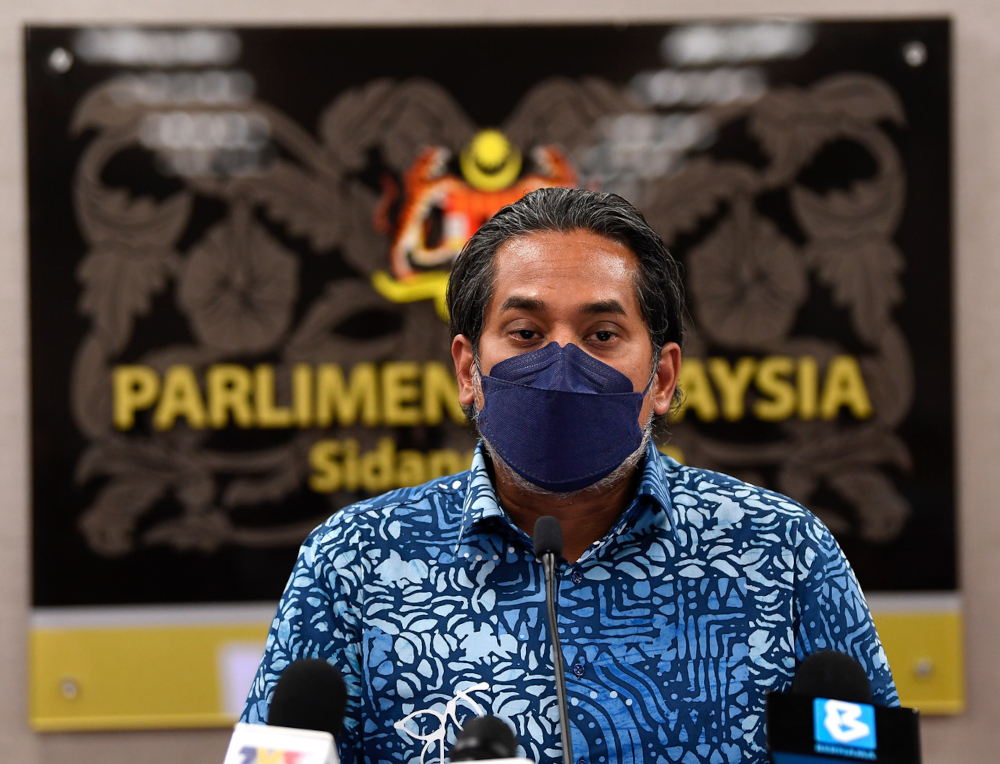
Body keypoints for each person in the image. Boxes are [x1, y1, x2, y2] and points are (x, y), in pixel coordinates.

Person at [241, 188, 897, 764]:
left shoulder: (784, 554)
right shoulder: (353, 563)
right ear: (468, 370)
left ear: (662, 378)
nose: (562, 364)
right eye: (525, 333)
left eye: (603, 334)